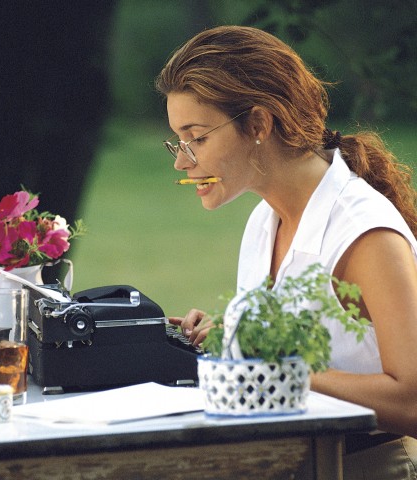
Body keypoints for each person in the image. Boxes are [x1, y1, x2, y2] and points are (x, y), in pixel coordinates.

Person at [155, 25, 417, 478]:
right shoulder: (265, 219)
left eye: (197, 138)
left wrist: (275, 374)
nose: (182, 161)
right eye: (179, 141)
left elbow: (412, 400)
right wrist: (231, 338)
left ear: (258, 123)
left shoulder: (363, 236)